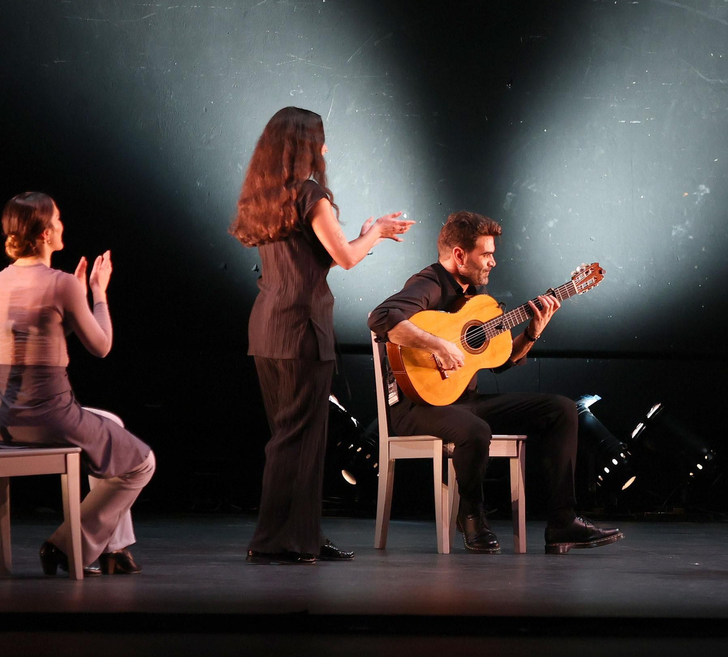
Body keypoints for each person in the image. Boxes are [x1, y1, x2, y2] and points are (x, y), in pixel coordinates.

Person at [368, 211, 622, 555]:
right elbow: (381, 318)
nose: (493, 262)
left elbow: (498, 361)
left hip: (461, 402)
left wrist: (531, 332)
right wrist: (438, 345)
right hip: (416, 407)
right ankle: (471, 515)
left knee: (562, 409)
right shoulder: (428, 284)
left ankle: (563, 522)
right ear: (460, 255)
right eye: (486, 254)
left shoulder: (474, 297)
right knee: (474, 430)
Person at [231, 106, 415, 565]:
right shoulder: (311, 193)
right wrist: (375, 232)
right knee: (297, 438)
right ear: (305, 146)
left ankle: (302, 537)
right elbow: (347, 258)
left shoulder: (267, 195)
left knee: (292, 436)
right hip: (301, 329)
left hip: (268, 326)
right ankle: (276, 541)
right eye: (321, 140)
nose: (326, 149)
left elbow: (317, 257)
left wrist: (362, 236)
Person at [0, 192, 154, 576]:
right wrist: (96, 293)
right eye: (58, 220)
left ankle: (114, 550)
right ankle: (65, 546)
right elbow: (102, 347)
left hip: (4, 419)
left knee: (112, 424)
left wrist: (73, 301)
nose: (63, 225)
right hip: (49, 418)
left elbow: (43, 338)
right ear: (45, 233)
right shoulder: (62, 284)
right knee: (143, 464)